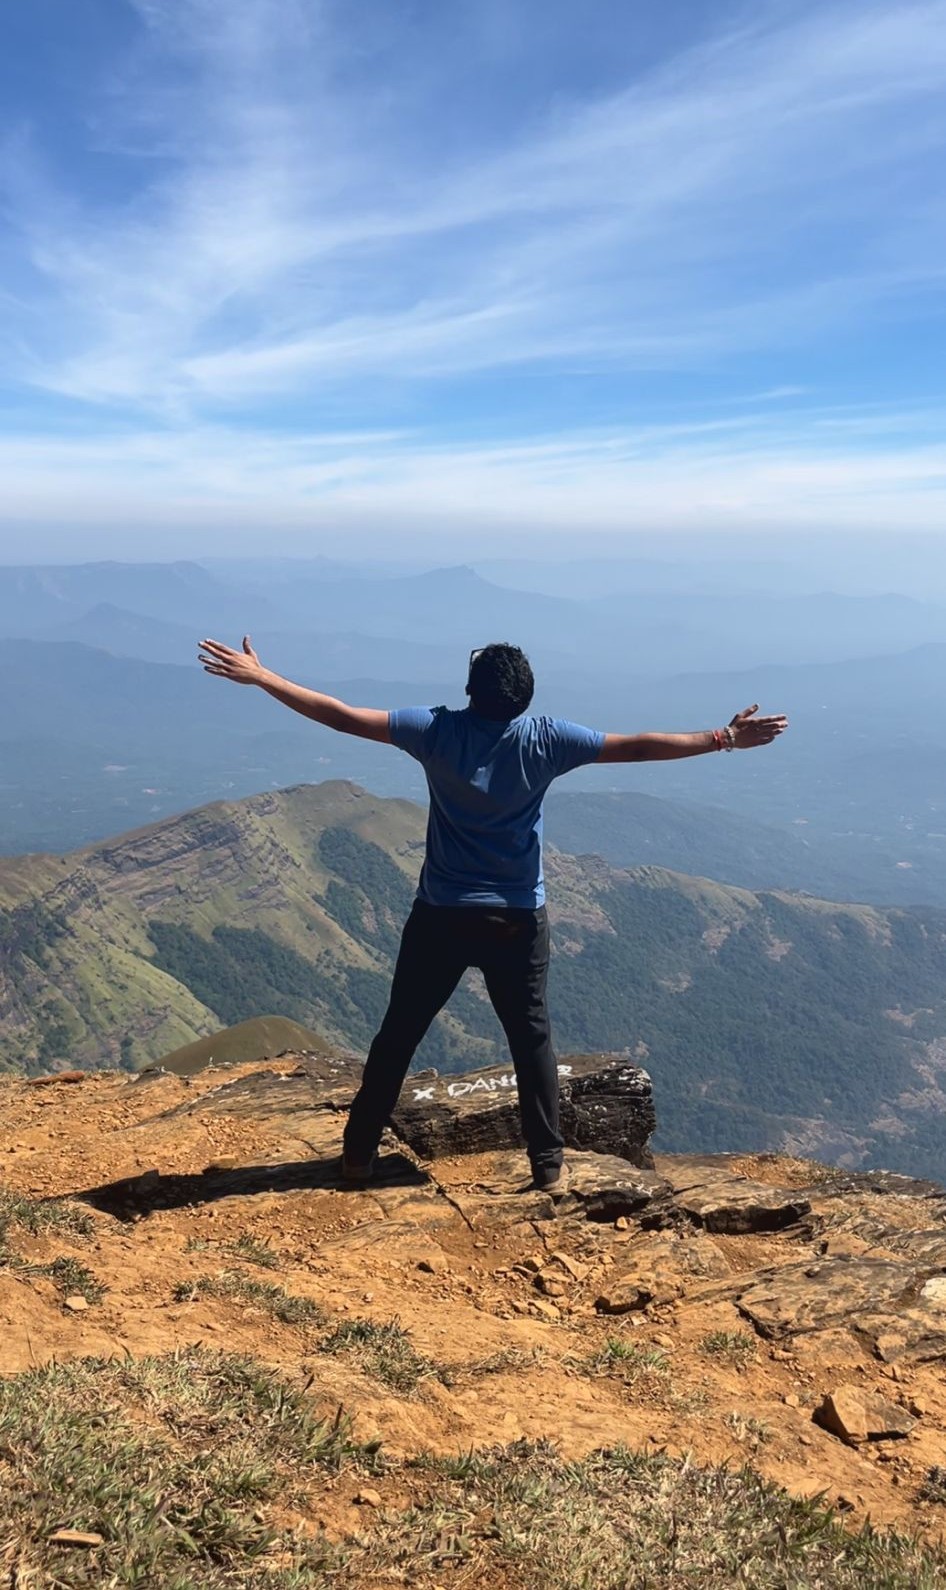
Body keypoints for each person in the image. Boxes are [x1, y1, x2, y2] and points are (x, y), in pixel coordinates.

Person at [199, 636, 787, 1189]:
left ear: (470, 691)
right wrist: (723, 738)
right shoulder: (548, 739)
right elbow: (636, 745)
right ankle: (548, 1166)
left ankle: (357, 1155)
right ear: (524, 697)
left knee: (398, 1035)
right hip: (517, 918)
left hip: (441, 916)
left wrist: (263, 677)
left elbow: (341, 715)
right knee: (531, 1039)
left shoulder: (434, 731)